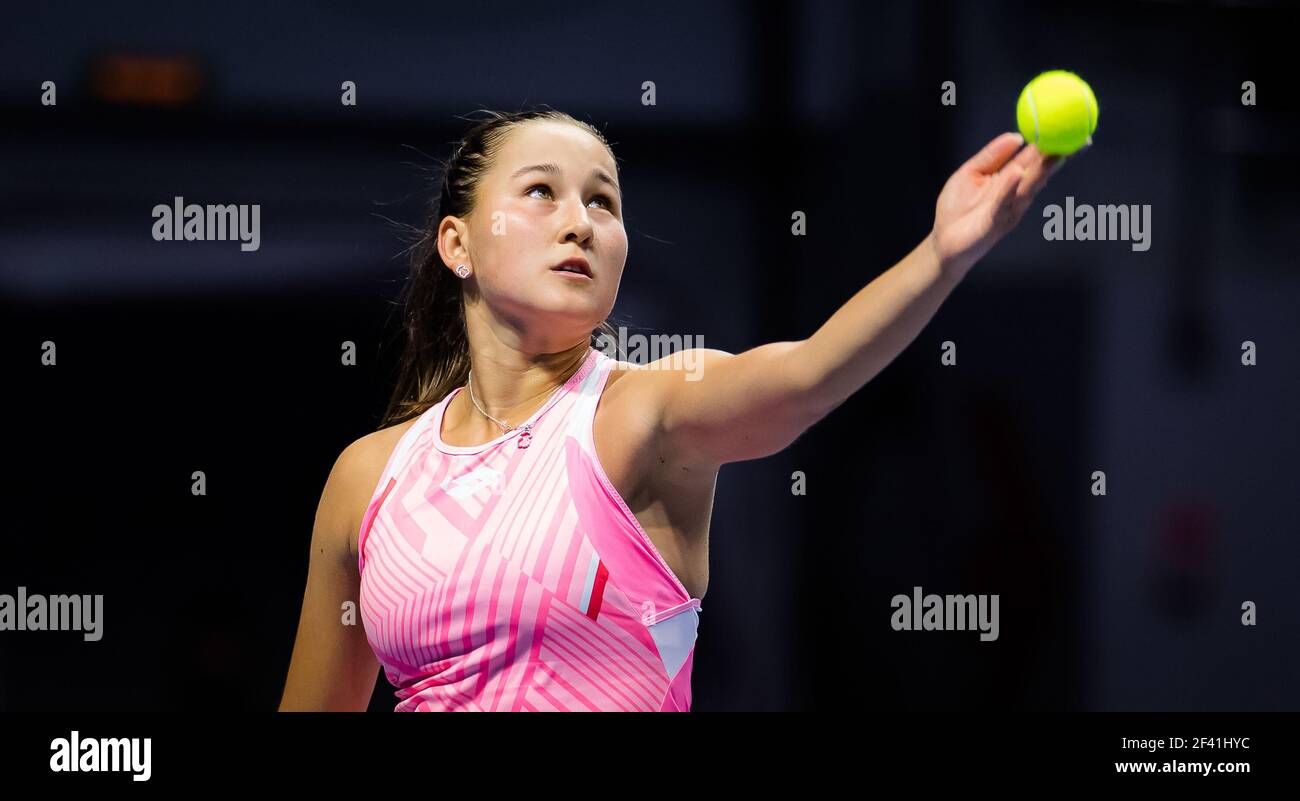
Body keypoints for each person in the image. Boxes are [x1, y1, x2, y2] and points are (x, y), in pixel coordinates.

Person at [279, 107, 1061, 712]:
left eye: (603, 201)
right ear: (459, 245)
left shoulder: (642, 413)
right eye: (542, 191)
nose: (580, 221)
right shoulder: (369, 476)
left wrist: (943, 252)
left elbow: (811, 372)